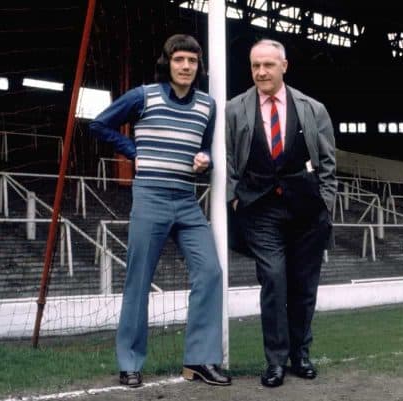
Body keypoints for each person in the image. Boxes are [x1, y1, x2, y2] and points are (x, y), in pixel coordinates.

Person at [89, 34, 231, 388]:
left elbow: (206, 149)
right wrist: (134, 150)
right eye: (179, 59)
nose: (185, 66)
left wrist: (206, 159)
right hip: (150, 196)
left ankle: (199, 360)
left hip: (186, 199)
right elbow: (98, 124)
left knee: (211, 272)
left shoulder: (207, 106)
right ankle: (130, 362)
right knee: (138, 280)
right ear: (167, 62)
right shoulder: (143, 96)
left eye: (192, 61)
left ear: (199, 67)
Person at [226, 39, 336, 387]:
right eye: (255, 65)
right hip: (260, 209)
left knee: (304, 286)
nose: (261, 72)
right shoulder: (234, 108)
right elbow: (228, 158)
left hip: (306, 209)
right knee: (273, 279)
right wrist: (233, 197)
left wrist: (326, 202)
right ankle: (275, 361)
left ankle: (300, 354)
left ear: (284, 66)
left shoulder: (313, 108)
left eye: (268, 65)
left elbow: (329, 162)